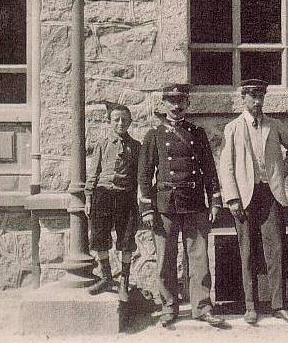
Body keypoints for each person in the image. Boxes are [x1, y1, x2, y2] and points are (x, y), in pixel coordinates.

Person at [138, 84, 224, 327]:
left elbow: (209, 169)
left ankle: (202, 307)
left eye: (181, 101)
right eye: (171, 101)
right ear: (164, 104)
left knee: (198, 258)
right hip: (165, 204)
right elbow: (145, 174)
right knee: (165, 258)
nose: (176, 106)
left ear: (187, 104)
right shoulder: (154, 135)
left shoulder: (197, 133)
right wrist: (146, 207)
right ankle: (169, 307)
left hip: (195, 202)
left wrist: (214, 199)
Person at [219, 79, 288, 325]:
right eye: (252, 97)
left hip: (270, 195)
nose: (257, 102)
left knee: (276, 249)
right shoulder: (232, 128)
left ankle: (279, 305)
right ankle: (250, 306)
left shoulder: (274, 126)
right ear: (243, 98)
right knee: (247, 251)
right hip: (244, 197)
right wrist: (232, 198)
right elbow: (226, 166)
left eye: (260, 97)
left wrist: (279, 173)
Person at [85, 102, 140, 301]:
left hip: (125, 196)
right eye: (116, 120)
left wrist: (137, 199)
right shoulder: (102, 144)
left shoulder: (136, 146)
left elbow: (138, 175)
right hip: (103, 195)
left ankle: (124, 281)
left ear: (130, 122)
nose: (120, 123)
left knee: (126, 239)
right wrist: (89, 197)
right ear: (109, 122)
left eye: (124, 120)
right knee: (100, 236)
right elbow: (93, 172)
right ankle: (107, 277)